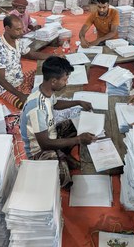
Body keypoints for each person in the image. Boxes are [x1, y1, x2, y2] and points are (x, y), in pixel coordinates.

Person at [20, 56, 96, 188]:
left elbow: (55, 104)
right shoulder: (37, 109)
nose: (66, 83)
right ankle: (62, 155)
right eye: (65, 80)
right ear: (54, 81)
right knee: (63, 178)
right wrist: (78, 140)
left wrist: (78, 102)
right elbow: (45, 144)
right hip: (39, 149)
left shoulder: (45, 89)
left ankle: (62, 153)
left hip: (50, 133)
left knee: (76, 124)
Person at [0, 15, 54, 109]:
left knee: (47, 74)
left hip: (20, 80)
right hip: (8, 89)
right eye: (18, 29)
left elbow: (30, 54)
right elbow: (1, 80)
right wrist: (20, 95)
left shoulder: (17, 41)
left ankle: (27, 92)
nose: (22, 32)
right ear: (7, 29)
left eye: (22, 29)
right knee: (28, 105)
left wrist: (53, 57)